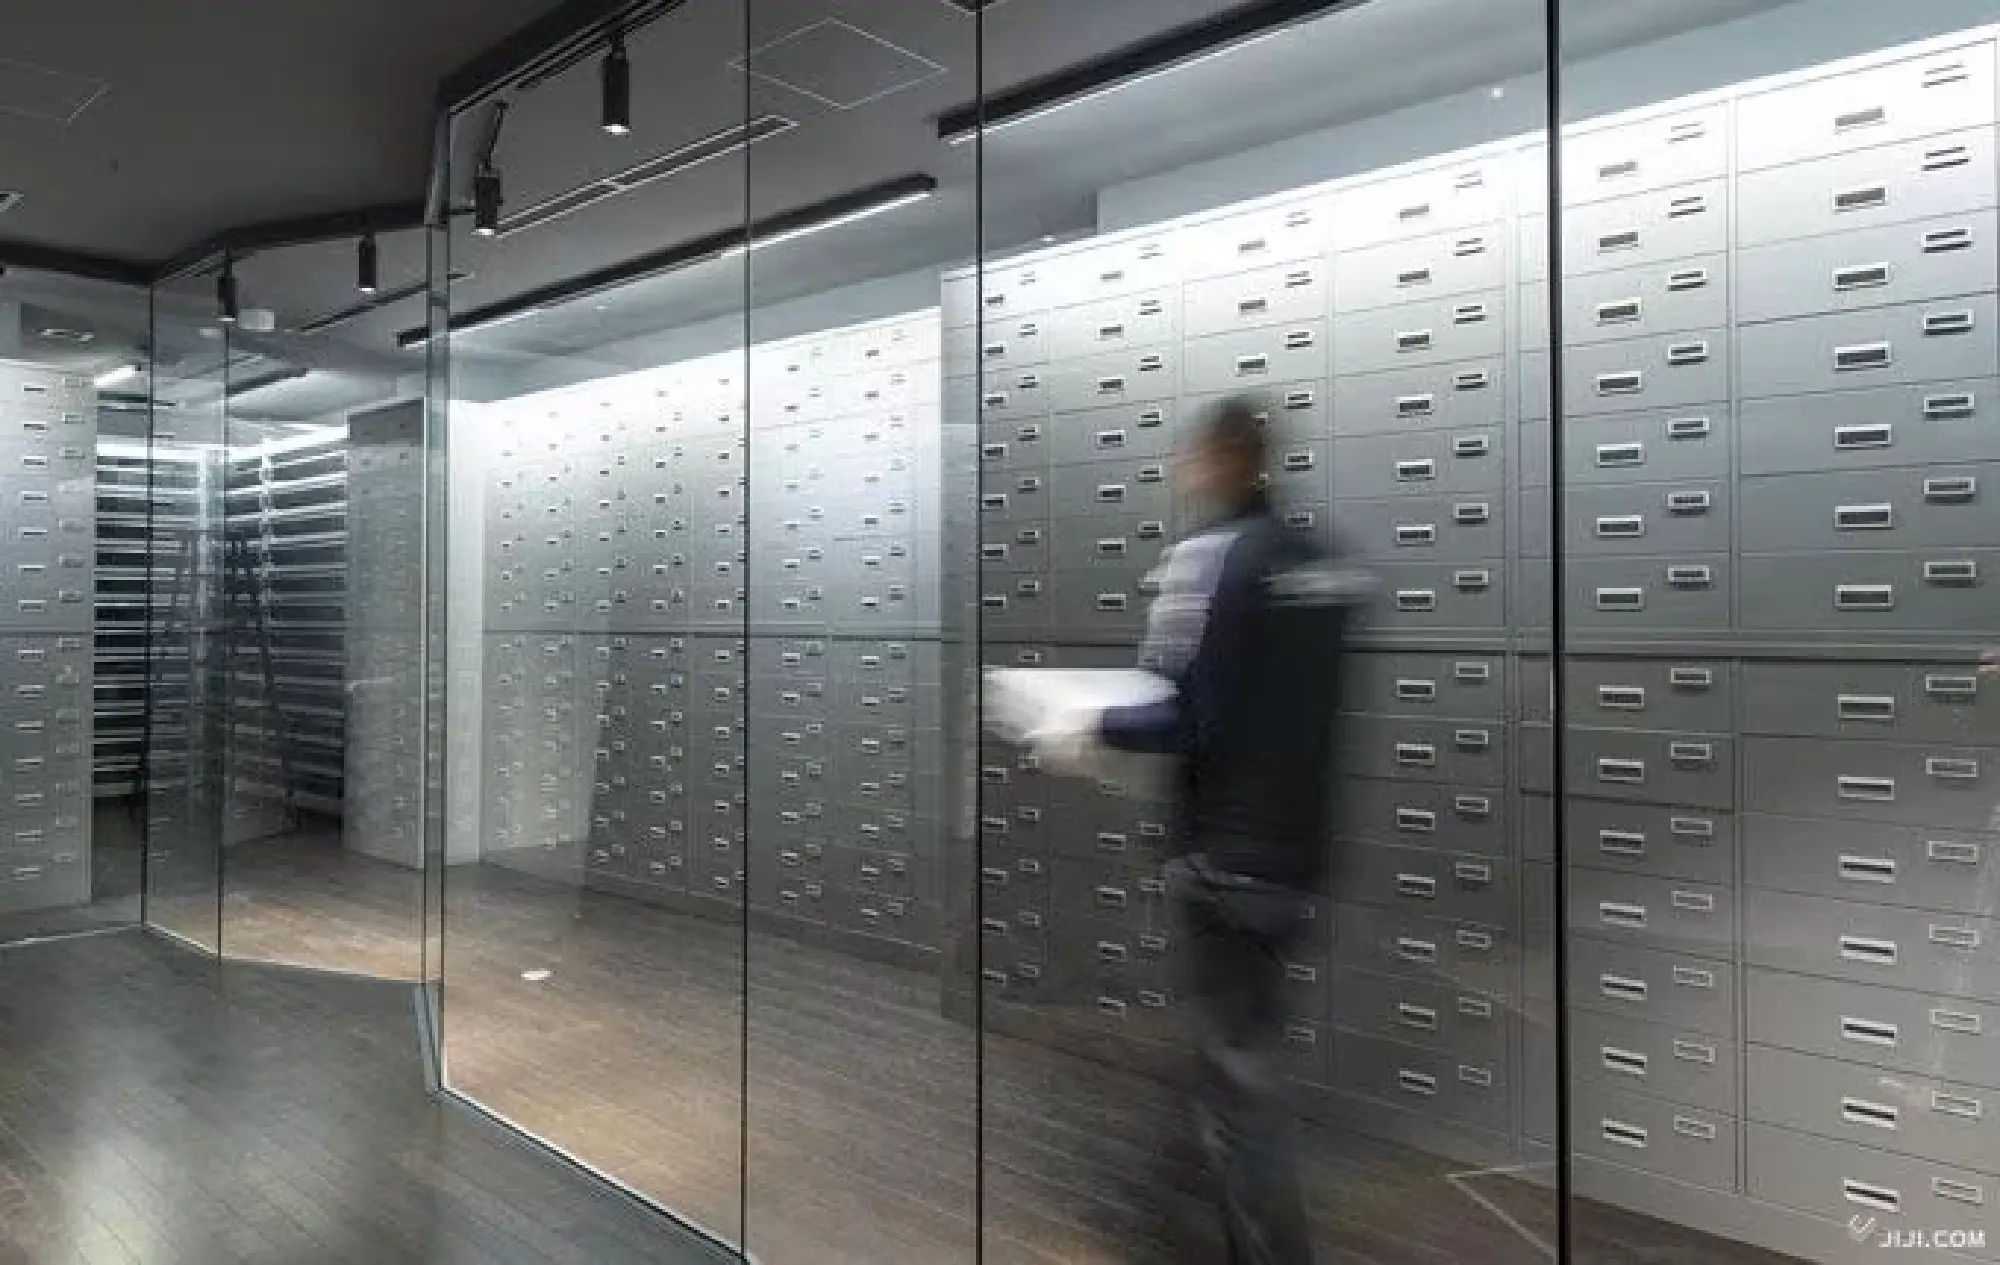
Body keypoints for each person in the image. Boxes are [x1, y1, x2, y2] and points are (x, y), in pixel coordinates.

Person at [1029, 396, 1368, 1265]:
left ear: (1219, 458)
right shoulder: (1327, 560)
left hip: (1227, 856)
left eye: (1190, 456)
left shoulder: (1216, 557)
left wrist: (1088, 723)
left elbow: (1194, 714)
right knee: (1234, 1051)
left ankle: (1267, 1249)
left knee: (1237, 1076)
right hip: (1300, 850)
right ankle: (1187, 1214)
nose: (1183, 471)